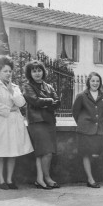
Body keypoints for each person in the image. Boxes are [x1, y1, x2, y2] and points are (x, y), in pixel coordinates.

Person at [0, 55, 33, 189]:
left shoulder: (15, 87)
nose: (8, 74)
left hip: (14, 124)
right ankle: (1, 180)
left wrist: (12, 91)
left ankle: (9, 179)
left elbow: (21, 103)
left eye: (10, 71)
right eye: (5, 71)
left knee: (13, 152)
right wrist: (9, 109)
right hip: (0, 123)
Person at [23, 60, 60, 189]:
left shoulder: (48, 86)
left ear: (43, 72)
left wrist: (46, 103)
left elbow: (58, 102)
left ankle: (40, 179)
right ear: (30, 73)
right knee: (47, 151)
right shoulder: (27, 86)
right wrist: (49, 101)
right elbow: (35, 101)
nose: (37, 73)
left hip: (49, 121)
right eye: (34, 71)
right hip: (37, 122)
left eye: (39, 70)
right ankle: (47, 178)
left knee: (42, 152)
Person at [72, 72, 103, 188]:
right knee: (86, 154)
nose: (95, 83)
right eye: (93, 81)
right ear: (88, 82)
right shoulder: (81, 96)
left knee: (96, 153)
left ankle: (92, 176)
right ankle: (90, 179)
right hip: (85, 130)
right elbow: (75, 112)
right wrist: (83, 124)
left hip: (98, 131)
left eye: (97, 81)